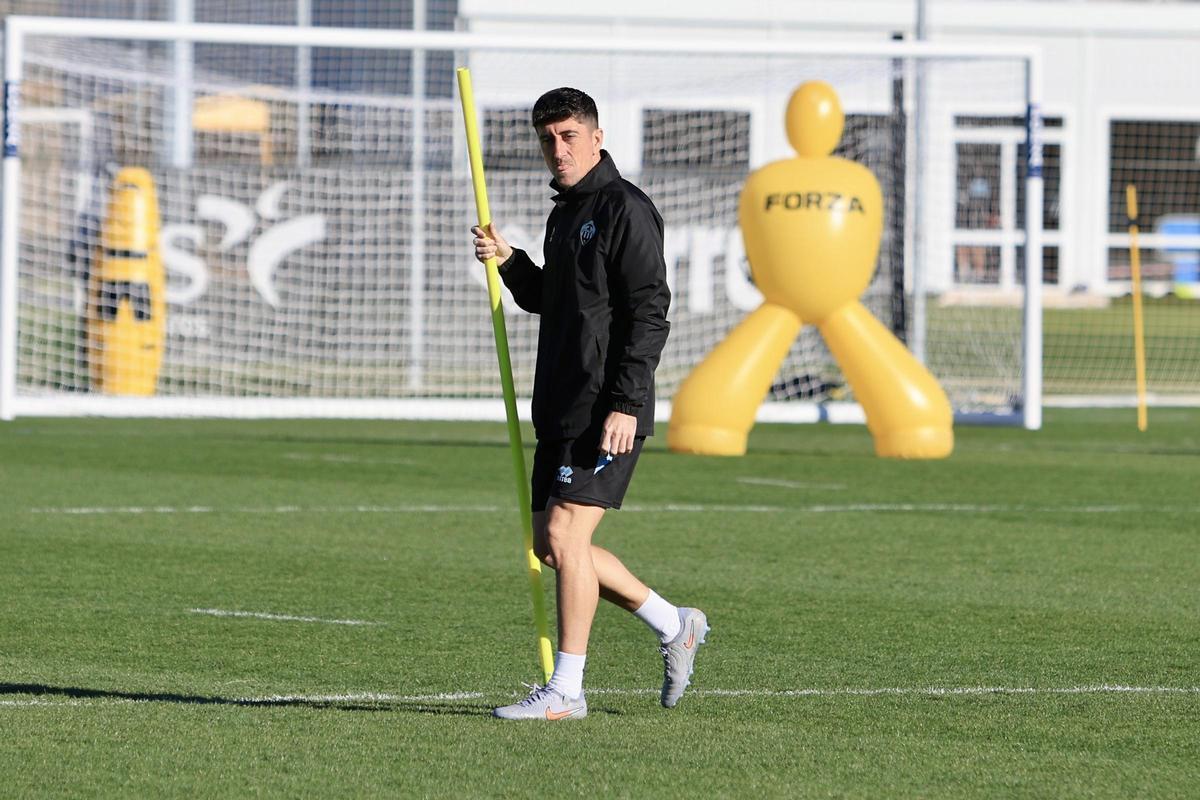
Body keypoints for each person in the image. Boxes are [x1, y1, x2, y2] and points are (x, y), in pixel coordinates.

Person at [471, 87, 708, 721]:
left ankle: (566, 691)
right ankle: (672, 622)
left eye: (569, 136)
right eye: (547, 139)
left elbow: (649, 312)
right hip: (560, 404)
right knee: (553, 546)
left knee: (566, 536)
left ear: (596, 137)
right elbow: (555, 297)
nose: (558, 149)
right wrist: (510, 262)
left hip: (608, 408)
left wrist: (627, 402)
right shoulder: (564, 213)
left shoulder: (626, 208)